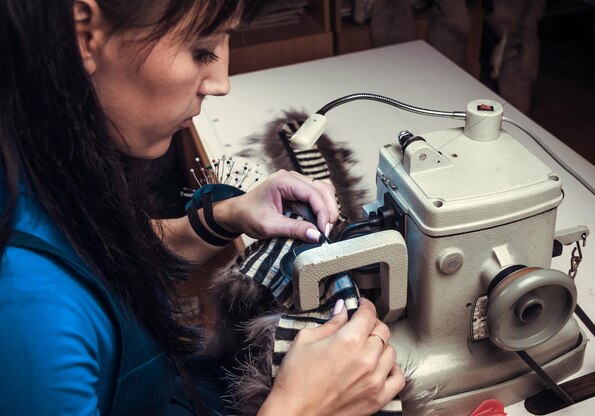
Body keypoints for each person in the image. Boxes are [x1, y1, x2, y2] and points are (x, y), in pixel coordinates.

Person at [0, 0, 406, 415]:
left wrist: (224, 217)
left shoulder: (36, 164)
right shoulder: (31, 319)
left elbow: (95, 262)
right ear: (85, 34)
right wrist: (302, 406)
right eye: (202, 50)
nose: (220, 83)